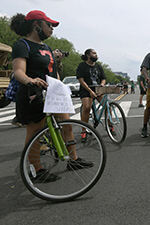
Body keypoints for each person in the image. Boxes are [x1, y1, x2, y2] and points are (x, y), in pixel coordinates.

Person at [10, 10, 93, 182]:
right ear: (36, 25)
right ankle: (36, 170)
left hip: (52, 94)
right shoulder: (22, 45)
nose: (52, 29)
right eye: (49, 25)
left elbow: (52, 72)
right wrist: (31, 80)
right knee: (35, 132)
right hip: (33, 93)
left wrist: (60, 86)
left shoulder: (46, 47)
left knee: (67, 125)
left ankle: (73, 160)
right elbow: (18, 71)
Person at [76, 49, 113, 141]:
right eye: (94, 53)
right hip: (86, 90)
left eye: (96, 53)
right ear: (88, 55)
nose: (96, 55)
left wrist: (101, 87)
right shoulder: (82, 66)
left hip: (97, 89)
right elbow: (81, 80)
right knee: (86, 108)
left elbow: (103, 78)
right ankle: (83, 131)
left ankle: (110, 126)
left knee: (107, 106)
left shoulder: (98, 66)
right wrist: (90, 91)